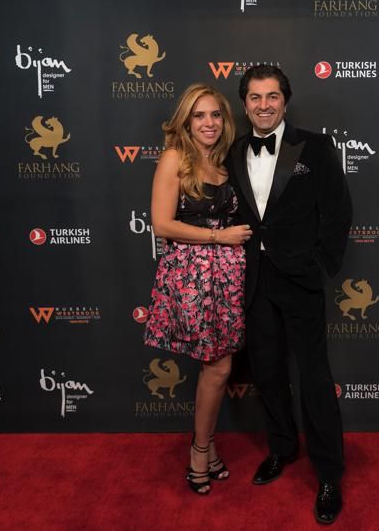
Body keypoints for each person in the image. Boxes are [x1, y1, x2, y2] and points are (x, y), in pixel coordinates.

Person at [225, 65, 352, 524]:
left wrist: (319, 266)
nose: (264, 105)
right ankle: (281, 448)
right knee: (268, 371)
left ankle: (329, 474)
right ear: (245, 105)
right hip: (253, 281)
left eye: (272, 96)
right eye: (255, 98)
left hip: (300, 279)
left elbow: (338, 211)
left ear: (285, 100)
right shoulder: (233, 151)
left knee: (315, 377)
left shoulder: (314, 146)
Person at [143, 84, 253, 495]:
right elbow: (162, 224)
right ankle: (200, 450)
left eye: (216, 115)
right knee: (218, 367)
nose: (209, 123)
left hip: (228, 277)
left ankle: (207, 448)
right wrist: (218, 238)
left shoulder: (226, 161)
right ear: (186, 122)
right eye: (199, 115)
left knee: (217, 366)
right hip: (191, 276)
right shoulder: (175, 157)